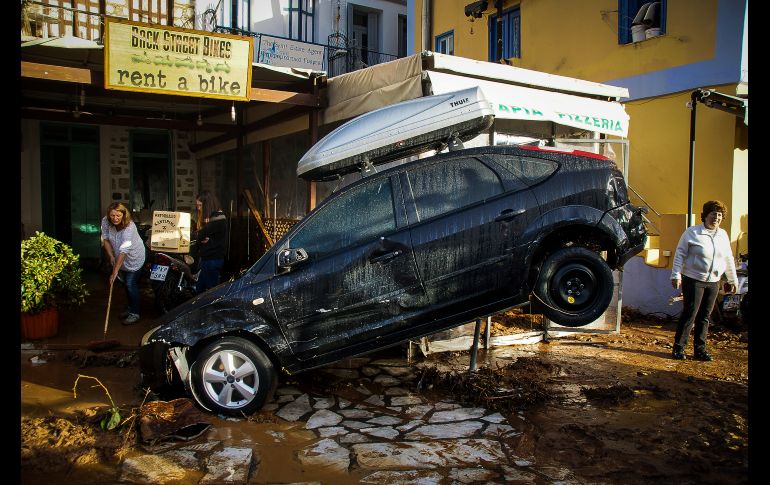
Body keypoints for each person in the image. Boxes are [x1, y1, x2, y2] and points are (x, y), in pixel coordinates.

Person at [670, 200, 738, 361]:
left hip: (713, 281)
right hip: (693, 279)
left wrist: (732, 279)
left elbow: (728, 258)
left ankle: (700, 350)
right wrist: (675, 275)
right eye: (713, 214)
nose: (716, 217)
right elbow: (680, 254)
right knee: (690, 313)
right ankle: (679, 348)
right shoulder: (692, 232)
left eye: (720, 215)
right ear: (705, 215)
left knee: (705, 316)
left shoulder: (723, 235)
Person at [101, 202, 146, 325]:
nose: (115, 218)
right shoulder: (105, 221)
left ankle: (135, 313)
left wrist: (114, 272)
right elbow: (105, 239)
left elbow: (124, 250)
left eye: (118, 216)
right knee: (126, 284)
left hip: (134, 257)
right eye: (112, 215)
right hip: (118, 257)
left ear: (123, 215)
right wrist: (111, 256)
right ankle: (130, 308)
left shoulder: (129, 227)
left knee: (130, 284)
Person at [194, 190, 228, 293]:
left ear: (207, 204)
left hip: (212, 260)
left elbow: (200, 234)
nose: (198, 208)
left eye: (200, 205)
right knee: (200, 290)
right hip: (209, 260)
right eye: (197, 205)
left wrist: (200, 235)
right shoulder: (214, 218)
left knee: (210, 293)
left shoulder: (218, 218)